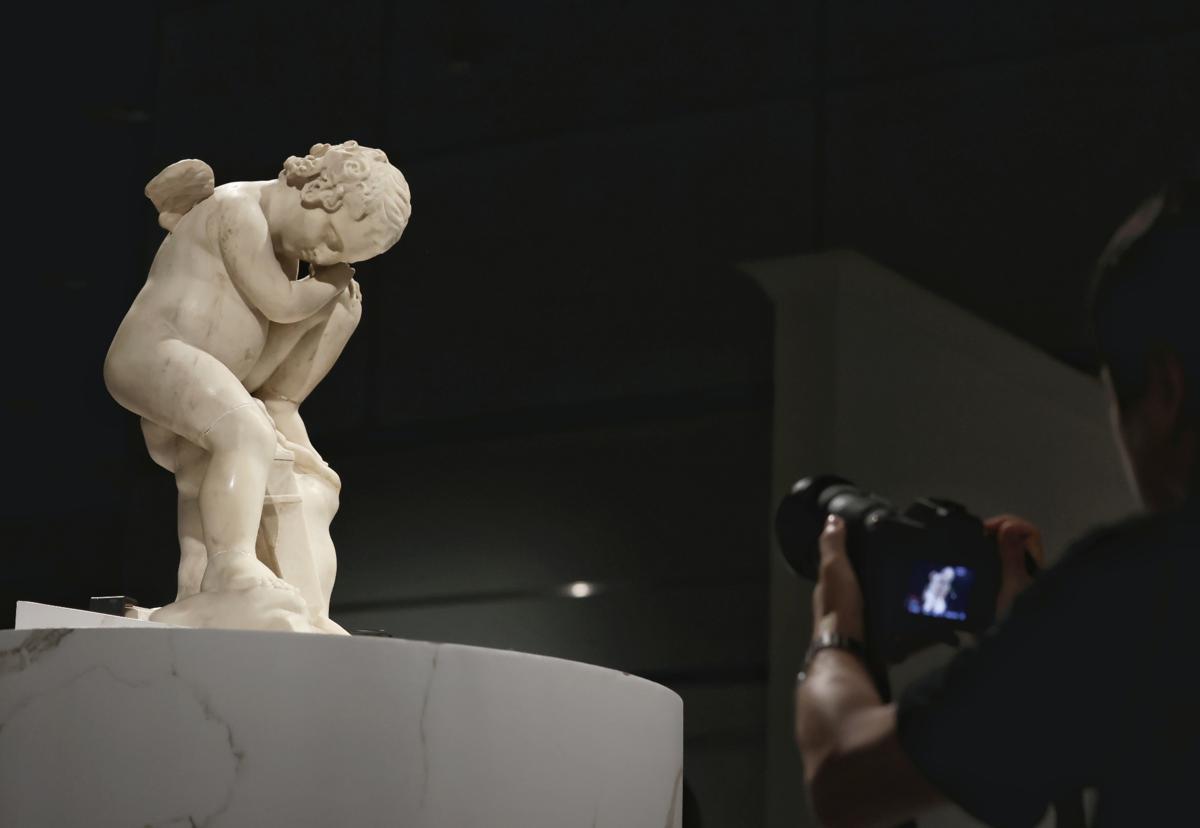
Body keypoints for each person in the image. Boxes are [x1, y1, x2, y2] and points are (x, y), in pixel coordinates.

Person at [793, 172, 1199, 827]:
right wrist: (1039, 652)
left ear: (1164, 390)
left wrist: (835, 627)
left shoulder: (1145, 588)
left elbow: (842, 773)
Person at [104, 140, 410, 631]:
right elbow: (281, 304)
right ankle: (232, 566)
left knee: (215, 476)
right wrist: (329, 281)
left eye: (339, 255)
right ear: (318, 189)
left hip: (210, 377)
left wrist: (334, 310)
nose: (324, 256)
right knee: (245, 431)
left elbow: (269, 363)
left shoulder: (284, 251)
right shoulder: (238, 207)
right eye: (331, 238)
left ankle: (199, 592)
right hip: (156, 354)